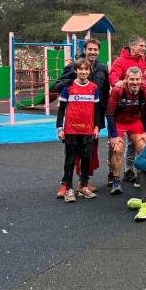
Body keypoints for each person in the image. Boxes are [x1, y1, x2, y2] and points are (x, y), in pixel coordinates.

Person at [52, 38, 109, 190]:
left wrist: (102, 118)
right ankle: (66, 183)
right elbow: (56, 86)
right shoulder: (74, 67)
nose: (93, 52)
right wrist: (73, 80)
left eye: (95, 50)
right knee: (72, 154)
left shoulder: (102, 68)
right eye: (90, 49)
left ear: (99, 51)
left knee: (89, 152)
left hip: (94, 117)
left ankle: (84, 181)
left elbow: (105, 93)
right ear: (85, 49)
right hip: (75, 120)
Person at [56, 59, 101, 202]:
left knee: (86, 158)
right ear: (76, 71)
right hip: (71, 130)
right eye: (80, 69)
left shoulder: (94, 87)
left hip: (88, 130)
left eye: (86, 69)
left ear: (89, 71)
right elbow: (61, 109)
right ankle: (69, 189)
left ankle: (82, 186)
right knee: (69, 160)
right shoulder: (68, 87)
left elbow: (96, 110)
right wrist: (59, 127)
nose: (83, 72)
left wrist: (96, 126)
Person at [108, 35, 146, 187]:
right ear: (133, 47)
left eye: (145, 46)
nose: (144, 49)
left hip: (136, 113)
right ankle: (113, 177)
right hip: (121, 111)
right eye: (141, 46)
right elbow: (113, 77)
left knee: (140, 145)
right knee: (116, 146)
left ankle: (135, 174)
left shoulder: (143, 60)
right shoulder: (120, 61)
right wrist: (117, 83)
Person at [106, 67, 146, 195]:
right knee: (117, 148)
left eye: (137, 79)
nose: (134, 82)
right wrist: (114, 135)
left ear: (141, 79)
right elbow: (109, 114)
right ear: (126, 79)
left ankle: (140, 176)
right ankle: (116, 181)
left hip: (134, 121)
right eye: (131, 79)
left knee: (142, 146)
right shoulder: (118, 90)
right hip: (118, 121)